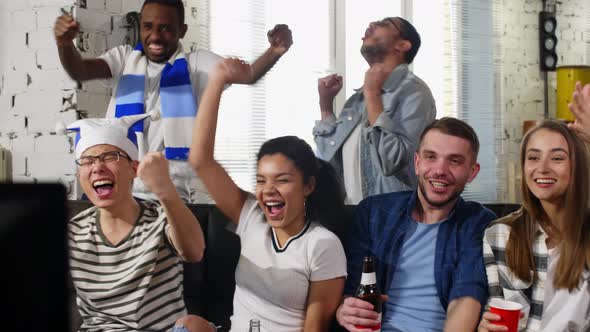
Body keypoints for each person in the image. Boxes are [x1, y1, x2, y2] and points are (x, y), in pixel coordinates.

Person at [54, 0, 293, 203]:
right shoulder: (123, 59)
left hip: (168, 197)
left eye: (166, 28)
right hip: (113, 190)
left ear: (182, 30)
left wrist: (274, 51)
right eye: (148, 26)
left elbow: (249, 74)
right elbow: (80, 70)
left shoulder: (197, 65)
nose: (155, 36)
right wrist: (64, 44)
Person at [188, 58, 348, 332]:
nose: (268, 190)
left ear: (308, 186)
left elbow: (315, 327)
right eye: (261, 180)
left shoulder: (322, 244)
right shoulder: (252, 217)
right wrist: (217, 81)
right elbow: (201, 160)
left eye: (282, 180)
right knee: (188, 324)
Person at [336, 117, 497, 332]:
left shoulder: (478, 222)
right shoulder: (373, 212)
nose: (440, 170)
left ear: (472, 172)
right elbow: (350, 290)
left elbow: (466, 296)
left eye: (455, 161)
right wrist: (342, 312)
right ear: (417, 163)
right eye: (431, 157)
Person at [66, 115, 213, 331]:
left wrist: (165, 189)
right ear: (80, 175)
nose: (97, 167)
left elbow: (194, 252)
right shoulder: (73, 231)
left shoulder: (160, 218)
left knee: (195, 326)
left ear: (134, 169)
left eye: (110, 157)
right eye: (87, 161)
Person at [479, 120, 590, 332]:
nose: (542, 168)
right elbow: (497, 309)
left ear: (578, 166)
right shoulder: (499, 235)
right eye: (533, 158)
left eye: (557, 158)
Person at [313, 16, 436, 204]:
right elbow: (328, 164)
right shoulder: (356, 101)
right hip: (353, 218)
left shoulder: (415, 93)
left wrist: (372, 94)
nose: (371, 24)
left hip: (391, 219)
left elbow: (393, 160)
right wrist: (326, 104)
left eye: (385, 24)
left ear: (402, 45)